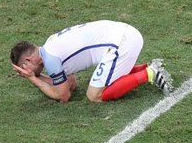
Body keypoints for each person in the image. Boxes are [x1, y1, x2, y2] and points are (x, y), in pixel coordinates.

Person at [10, 20, 173, 103]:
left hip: (122, 43)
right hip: (124, 34)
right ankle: (148, 67)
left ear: (29, 59)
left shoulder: (51, 58)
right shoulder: (51, 44)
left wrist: (34, 79)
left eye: (24, 67)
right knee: (101, 85)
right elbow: (71, 84)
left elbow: (63, 96)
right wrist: (36, 76)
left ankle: (149, 73)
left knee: (94, 95)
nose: (25, 71)